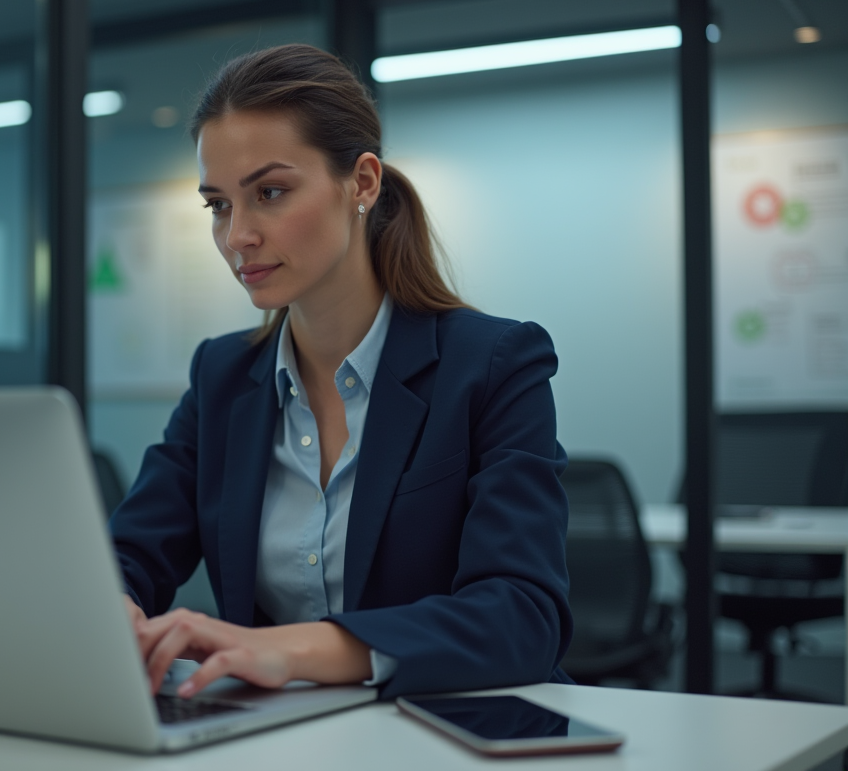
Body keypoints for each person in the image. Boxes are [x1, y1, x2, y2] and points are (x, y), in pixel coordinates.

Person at [109, 44, 572, 701]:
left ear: (362, 183)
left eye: (270, 193)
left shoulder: (494, 365)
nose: (237, 234)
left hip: (454, 731)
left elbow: (522, 617)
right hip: (281, 739)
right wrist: (110, 606)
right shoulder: (222, 375)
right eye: (218, 205)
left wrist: (286, 650)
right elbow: (130, 553)